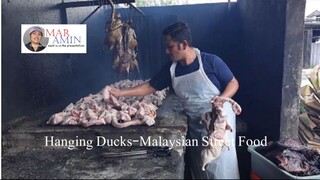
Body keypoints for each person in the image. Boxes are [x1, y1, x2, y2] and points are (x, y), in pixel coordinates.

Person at [109, 21, 240, 179]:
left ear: (183, 44)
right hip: (196, 126)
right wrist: (120, 93)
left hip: (219, 126)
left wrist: (223, 99)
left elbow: (233, 82)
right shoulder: (171, 69)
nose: (166, 50)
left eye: (169, 46)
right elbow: (150, 86)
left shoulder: (211, 62)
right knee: (202, 169)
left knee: (222, 169)